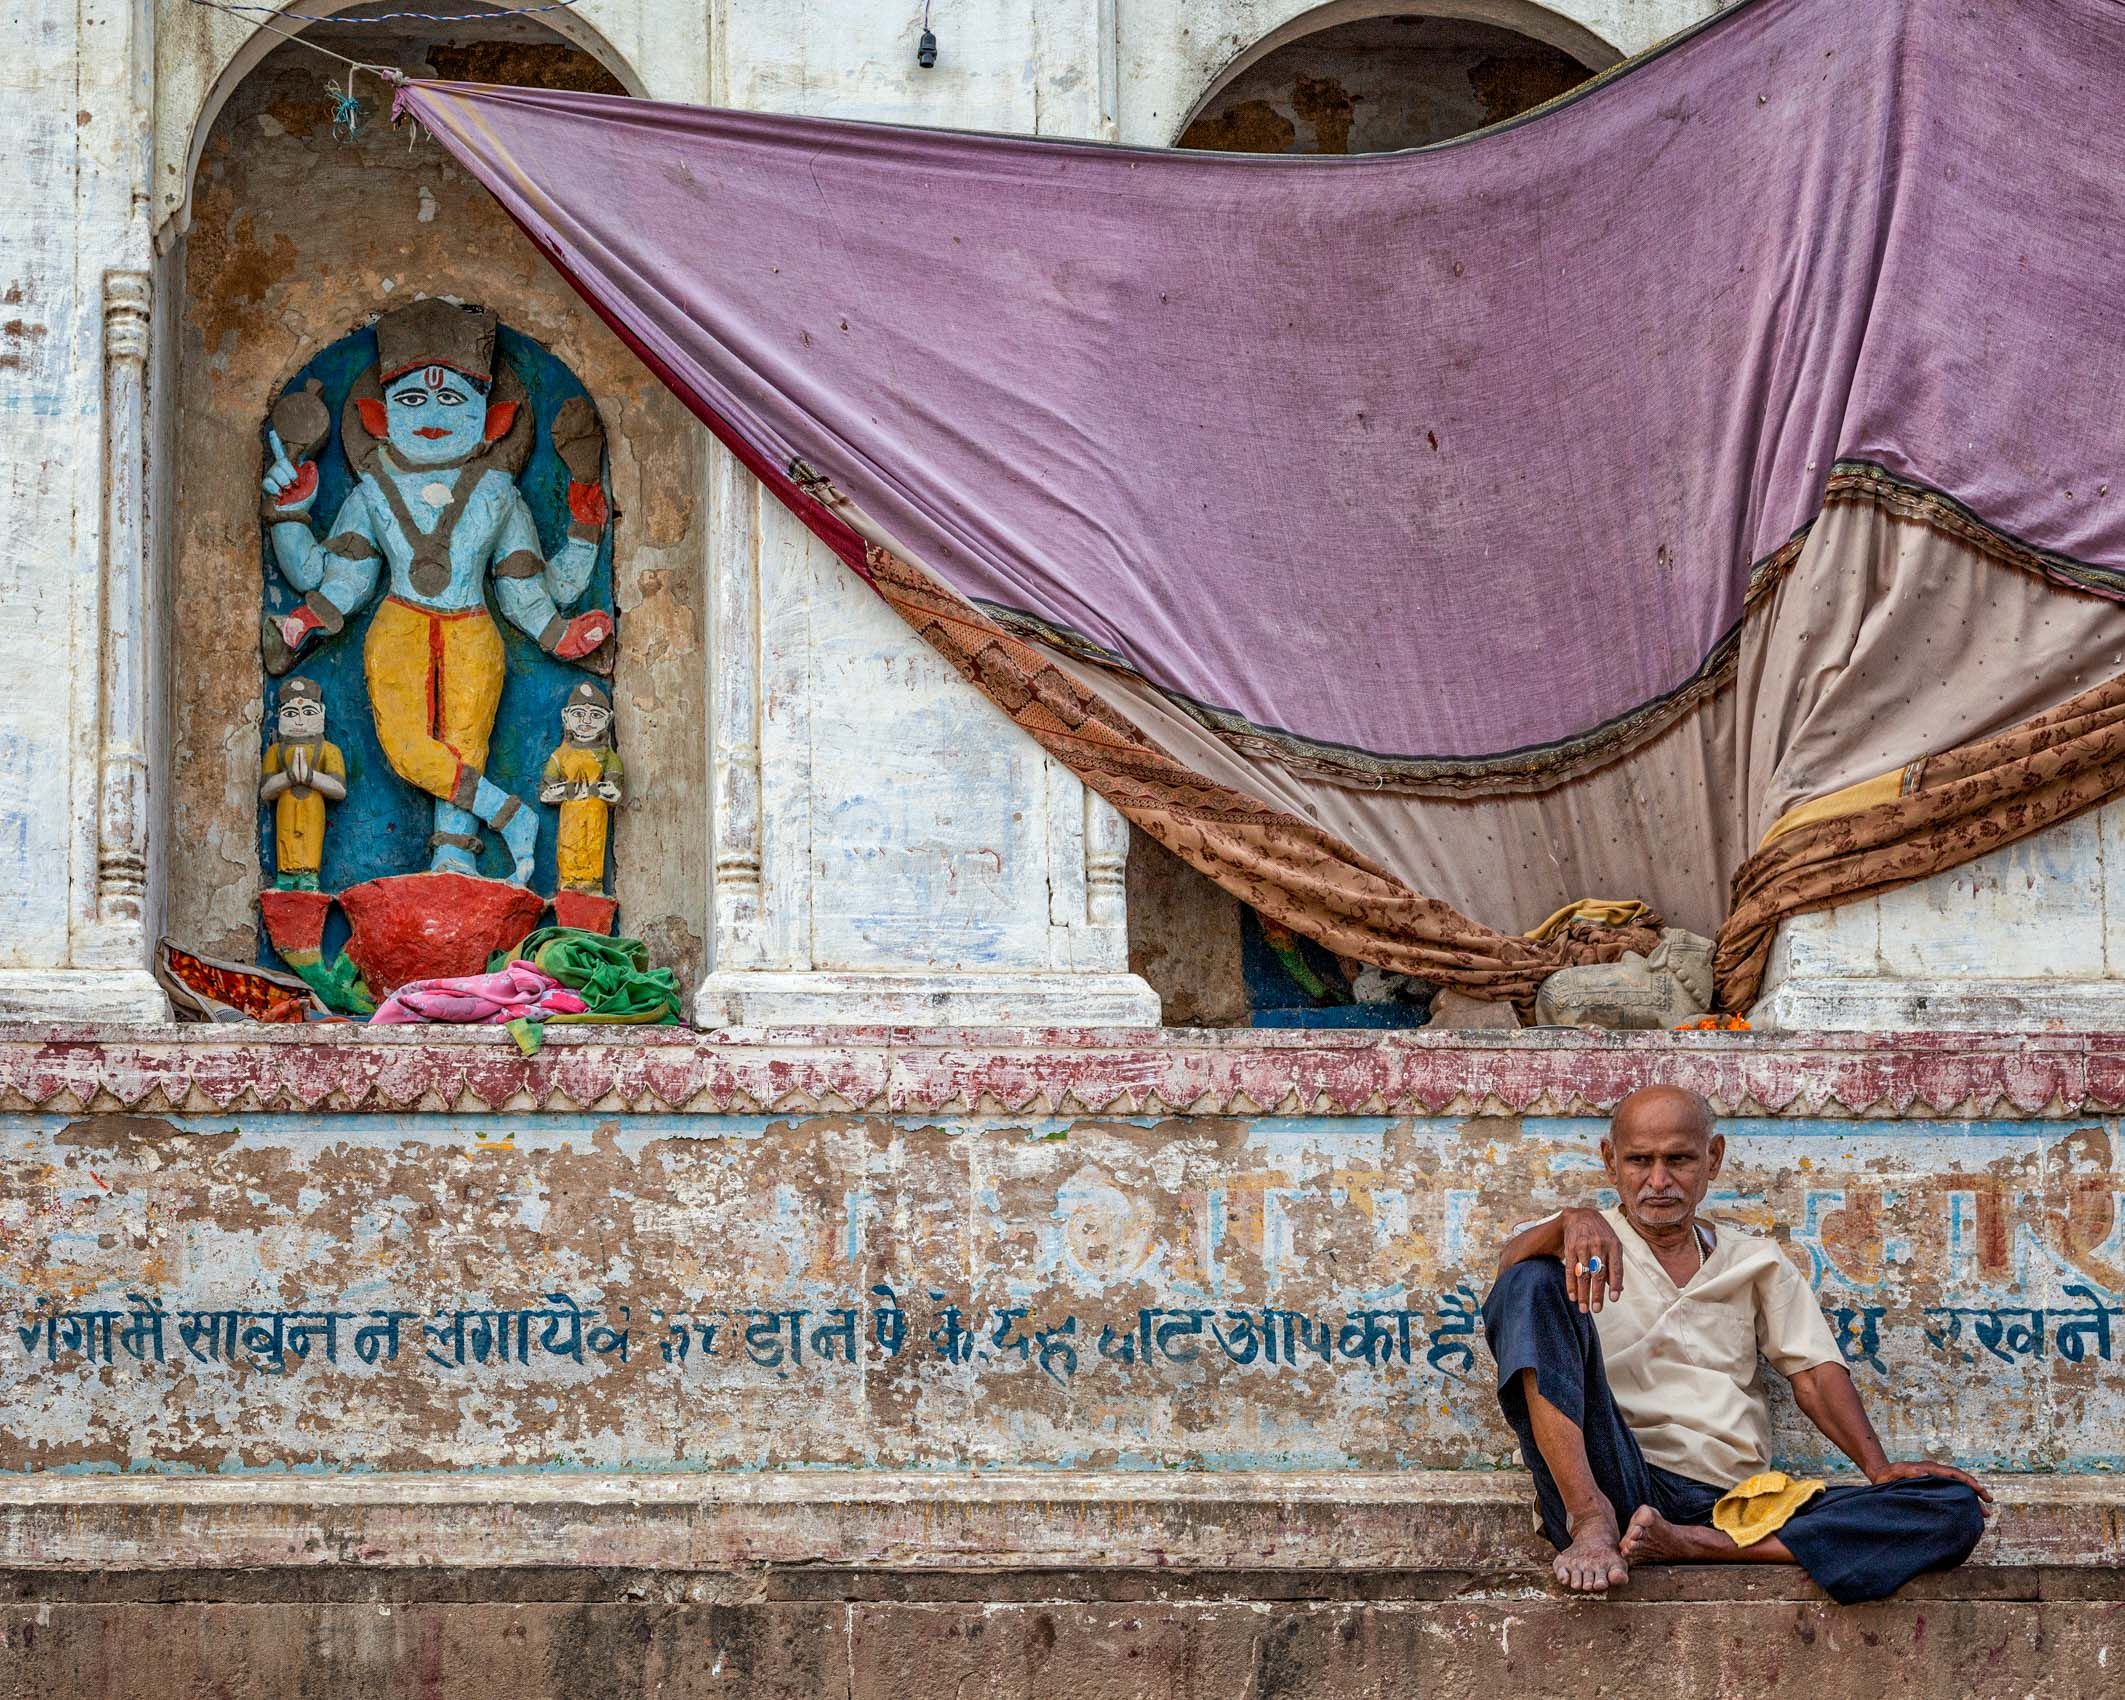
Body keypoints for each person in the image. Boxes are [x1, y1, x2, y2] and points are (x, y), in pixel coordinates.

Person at [1481, 1084, 1989, 1602]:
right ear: (1610, 1162)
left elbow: (1813, 1374)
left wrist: (1878, 1469)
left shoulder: (1755, 1261)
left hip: (1737, 1506)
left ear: (1713, 1158)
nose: (1658, 1181)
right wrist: (1569, 1220)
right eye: (1639, 1161)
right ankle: (1589, 1521)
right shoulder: (1583, 1244)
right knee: (1529, 1280)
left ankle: (1693, 1543)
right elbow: (1510, 1284)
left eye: (1678, 1159)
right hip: (1618, 1481)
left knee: (1950, 1509)